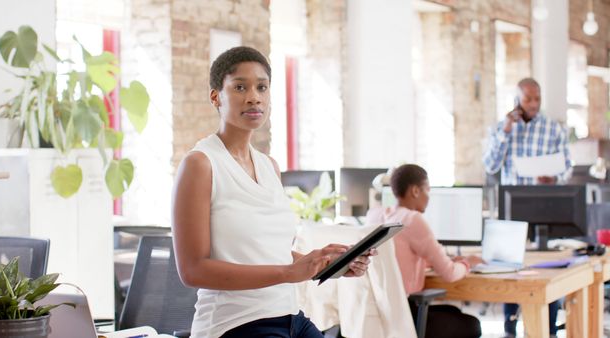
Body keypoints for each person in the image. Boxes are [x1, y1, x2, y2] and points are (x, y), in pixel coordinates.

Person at [171, 46, 374, 338]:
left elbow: (268, 253)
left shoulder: (269, 166)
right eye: (240, 87)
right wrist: (289, 274)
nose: (254, 96)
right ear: (216, 96)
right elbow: (192, 270)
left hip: (289, 316)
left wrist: (320, 263)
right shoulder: (200, 164)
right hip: (234, 324)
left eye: (262, 87)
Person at [483, 77, 570, 337]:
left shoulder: (553, 128)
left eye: (537, 98)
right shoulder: (503, 128)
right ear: (517, 101)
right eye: (528, 99)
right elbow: (490, 165)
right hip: (513, 206)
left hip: (544, 204)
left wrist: (554, 177)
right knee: (511, 268)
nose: (533, 104)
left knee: (547, 267)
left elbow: (566, 167)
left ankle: (550, 327)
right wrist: (506, 130)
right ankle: (510, 326)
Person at [366, 164, 483, 338]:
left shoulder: (375, 215)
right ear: (415, 191)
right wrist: (467, 263)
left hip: (377, 315)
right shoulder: (412, 219)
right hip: (405, 316)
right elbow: (450, 274)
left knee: (452, 311)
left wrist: (439, 258)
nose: (429, 196)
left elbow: (396, 256)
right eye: (427, 190)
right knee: (472, 325)